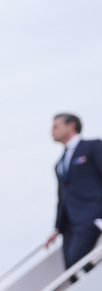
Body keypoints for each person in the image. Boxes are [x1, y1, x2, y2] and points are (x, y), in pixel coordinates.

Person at [46, 113, 102, 269]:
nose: (52, 131)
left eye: (56, 126)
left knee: (79, 260)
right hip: (70, 225)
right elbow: (62, 197)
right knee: (71, 269)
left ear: (71, 125)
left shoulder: (92, 147)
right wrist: (56, 228)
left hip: (92, 217)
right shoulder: (59, 164)